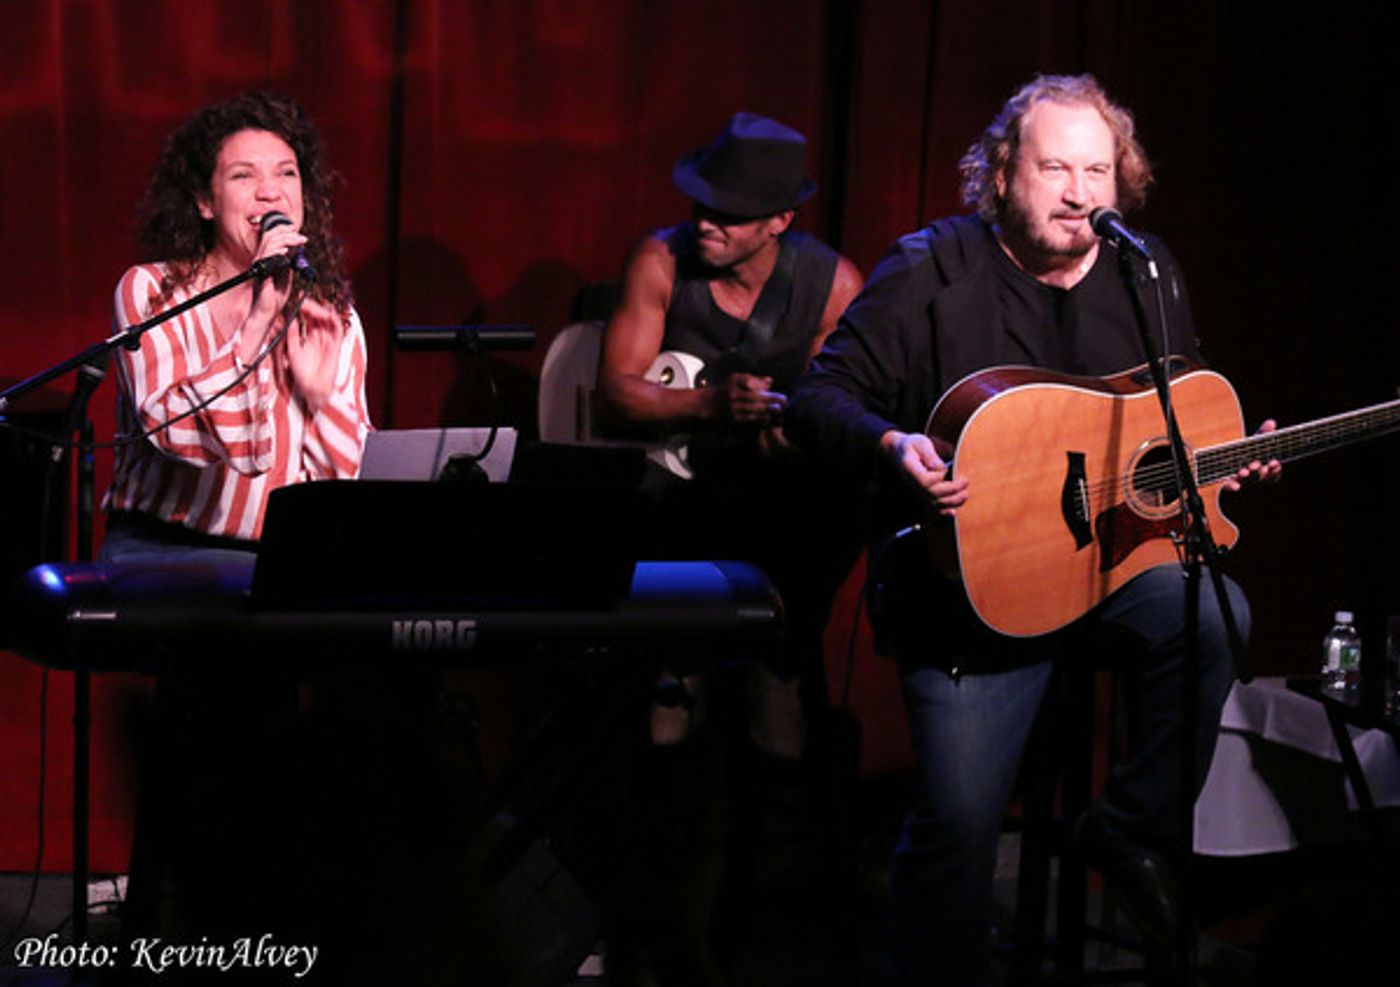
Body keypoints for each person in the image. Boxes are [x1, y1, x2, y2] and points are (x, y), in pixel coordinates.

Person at [785, 74, 1281, 985]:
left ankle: (1125, 829)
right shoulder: (929, 269)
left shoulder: (1145, 269)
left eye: (1098, 170)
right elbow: (818, 397)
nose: (1080, 192)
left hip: (1112, 574)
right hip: (966, 590)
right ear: (1005, 172)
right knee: (961, 830)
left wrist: (1224, 455)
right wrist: (891, 443)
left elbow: (1177, 412)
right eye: (1055, 166)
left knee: (1215, 609)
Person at [594, 111, 864, 985]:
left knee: (787, 631)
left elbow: (842, 409)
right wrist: (712, 409)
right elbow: (616, 397)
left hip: (779, 516)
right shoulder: (661, 262)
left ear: (780, 219)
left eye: (731, 212)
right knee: (674, 675)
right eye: (701, 204)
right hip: (674, 510)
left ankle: (769, 914)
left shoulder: (832, 286)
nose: (706, 222)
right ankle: (660, 904)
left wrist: (795, 433)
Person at [101, 89, 370, 563]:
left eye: (287, 173)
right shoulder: (153, 291)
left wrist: (321, 397)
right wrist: (258, 321)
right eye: (244, 176)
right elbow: (175, 435)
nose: (271, 191)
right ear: (206, 201)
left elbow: (347, 482)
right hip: (163, 550)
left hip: (279, 558)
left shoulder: (330, 313)